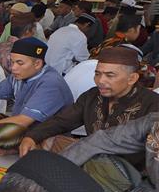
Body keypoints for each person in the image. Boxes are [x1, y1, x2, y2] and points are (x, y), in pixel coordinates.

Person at [20, 47, 159, 157]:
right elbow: (61, 121)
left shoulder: (153, 105)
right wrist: (32, 137)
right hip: (90, 161)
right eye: (97, 74)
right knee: (46, 141)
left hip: (128, 176)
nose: (100, 81)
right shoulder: (92, 96)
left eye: (110, 75)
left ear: (132, 78)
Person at [63, 113, 158, 192]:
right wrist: (53, 169)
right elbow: (103, 140)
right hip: (146, 189)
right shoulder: (154, 120)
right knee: (95, 161)